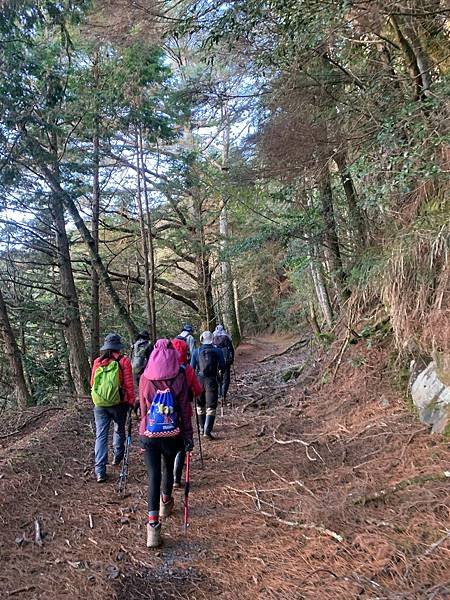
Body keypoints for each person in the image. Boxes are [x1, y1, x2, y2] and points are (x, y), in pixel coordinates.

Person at [139, 339, 194, 548]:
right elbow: (185, 410)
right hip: (173, 433)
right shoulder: (179, 376)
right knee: (168, 468)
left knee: (154, 475)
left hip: (150, 434)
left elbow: (143, 409)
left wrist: (143, 433)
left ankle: (152, 528)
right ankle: (165, 502)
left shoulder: (145, 378)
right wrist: (188, 436)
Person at [91, 333, 135, 483]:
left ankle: (100, 471)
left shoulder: (98, 362)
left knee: (101, 436)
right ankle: (118, 455)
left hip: (100, 404)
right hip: (118, 404)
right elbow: (129, 385)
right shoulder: (123, 361)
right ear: (118, 346)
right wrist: (131, 402)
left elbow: (92, 384)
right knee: (118, 429)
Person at [171, 337, 203, 487]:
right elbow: (197, 390)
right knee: (182, 444)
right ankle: (176, 477)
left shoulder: (163, 368)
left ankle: (168, 477)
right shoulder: (187, 369)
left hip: (164, 412)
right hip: (183, 411)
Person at [190, 331, 225, 440]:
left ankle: (201, 427)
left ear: (201, 339)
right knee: (211, 406)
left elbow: (191, 368)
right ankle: (207, 430)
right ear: (212, 339)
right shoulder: (218, 351)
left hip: (199, 380)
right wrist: (220, 375)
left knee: (200, 405)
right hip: (212, 380)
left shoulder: (196, 351)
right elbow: (223, 366)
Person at [213, 324, 235, 403]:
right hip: (226, 361)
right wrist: (232, 359)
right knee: (226, 378)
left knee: (218, 378)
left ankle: (219, 394)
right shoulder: (226, 337)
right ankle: (223, 395)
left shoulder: (213, 337)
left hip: (216, 361)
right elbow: (231, 349)